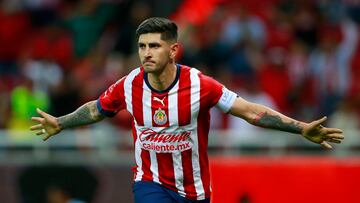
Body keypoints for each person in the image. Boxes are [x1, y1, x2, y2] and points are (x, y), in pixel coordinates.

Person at [30, 17, 344, 203]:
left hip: (194, 188)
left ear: (173, 49)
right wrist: (61, 121)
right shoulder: (129, 84)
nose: (146, 53)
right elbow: (97, 109)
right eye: (142, 46)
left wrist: (300, 128)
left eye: (154, 46)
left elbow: (249, 111)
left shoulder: (200, 85)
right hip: (149, 181)